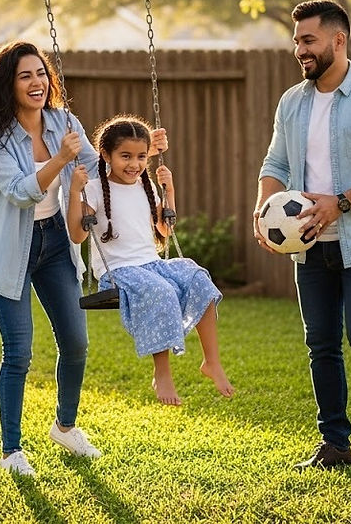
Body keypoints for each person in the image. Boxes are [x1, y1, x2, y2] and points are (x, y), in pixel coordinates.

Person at [0, 42, 167, 477]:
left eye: (41, 74)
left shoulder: (63, 122)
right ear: (7, 84)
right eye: (25, 76)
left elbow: (103, 169)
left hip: (55, 245)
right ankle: (11, 450)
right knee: (19, 352)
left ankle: (65, 427)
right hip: (10, 249)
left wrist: (146, 152)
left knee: (76, 343)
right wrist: (60, 159)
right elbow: (19, 191)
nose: (37, 83)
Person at [253, 0, 351, 479]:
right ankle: (335, 443)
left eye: (308, 40)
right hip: (308, 245)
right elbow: (275, 166)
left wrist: (338, 203)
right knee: (320, 342)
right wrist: (265, 211)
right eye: (297, 41)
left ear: (337, 40)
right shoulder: (292, 102)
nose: (299, 49)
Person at [66, 114, 234, 406]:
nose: (134, 164)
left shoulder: (147, 186)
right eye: (125, 156)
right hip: (118, 271)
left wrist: (170, 191)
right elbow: (78, 236)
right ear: (105, 155)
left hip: (151, 263)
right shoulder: (92, 189)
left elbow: (165, 231)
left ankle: (212, 362)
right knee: (162, 291)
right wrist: (73, 192)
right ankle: (162, 372)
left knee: (199, 278)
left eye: (142, 156)